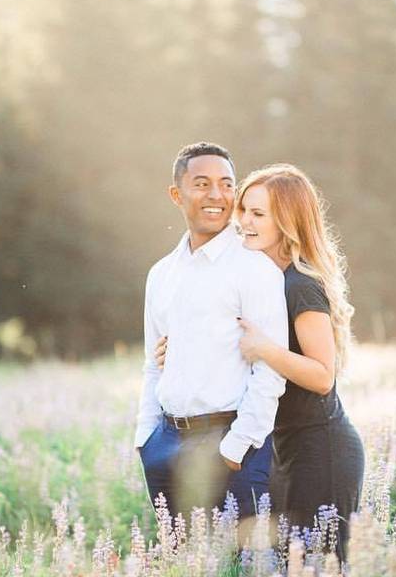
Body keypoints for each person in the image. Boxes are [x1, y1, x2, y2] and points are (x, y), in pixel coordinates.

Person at [156, 163, 364, 561]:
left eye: (258, 214)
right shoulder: (258, 281)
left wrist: (265, 349)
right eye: (243, 211)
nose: (244, 222)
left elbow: (323, 377)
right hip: (278, 447)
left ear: (286, 222)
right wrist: (177, 352)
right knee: (290, 563)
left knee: (320, 564)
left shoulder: (300, 285)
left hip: (320, 447)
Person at [134, 142, 289, 522]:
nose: (217, 195)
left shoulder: (254, 267)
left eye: (226, 184)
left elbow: (270, 371)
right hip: (165, 444)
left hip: (230, 440)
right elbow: (153, 364)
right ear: (177, 194)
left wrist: (236, 446)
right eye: (202, 184)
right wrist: (145, 438)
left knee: (240, 563)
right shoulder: (161, 275)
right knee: (181, 561)